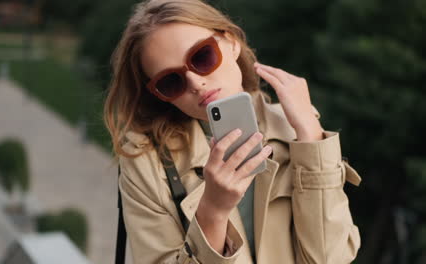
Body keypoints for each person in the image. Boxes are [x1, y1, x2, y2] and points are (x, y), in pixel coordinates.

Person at [103, 0, 362, 263]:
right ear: (160, 96)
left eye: (202, 57)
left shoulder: (297, 129)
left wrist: (310, 135)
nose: (195, 82)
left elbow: (331, 259)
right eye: (171, 82)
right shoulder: (146, 160)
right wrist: (213, 213)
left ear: (232, 42)